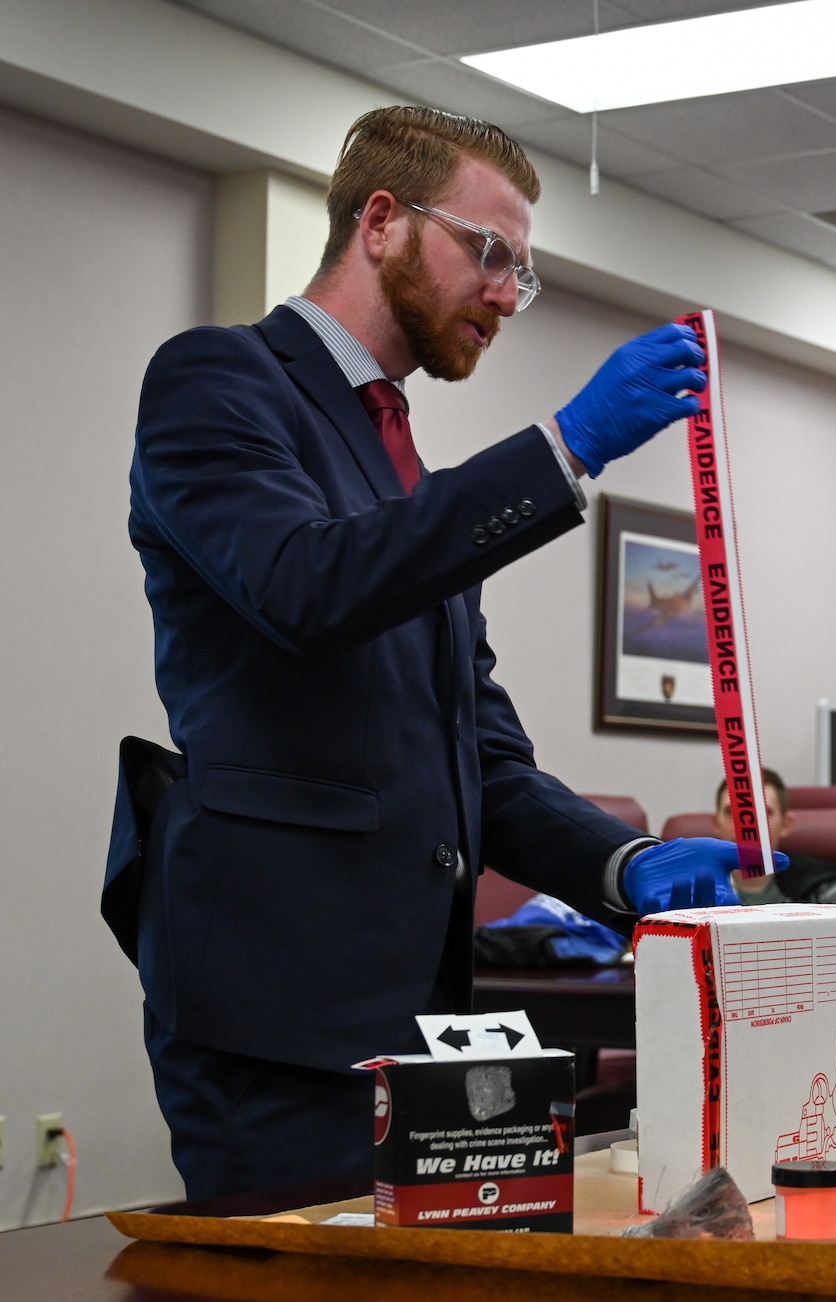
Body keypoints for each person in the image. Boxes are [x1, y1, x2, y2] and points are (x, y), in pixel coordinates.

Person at [108, 107, 771, 1201]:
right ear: (380, 221)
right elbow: (306, 584)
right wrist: (566, 449)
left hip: (420, 1022)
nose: (508, 294)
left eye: (524, 271)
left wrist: (622, 863)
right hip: (276, 1015)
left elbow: (484, 762)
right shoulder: (215, 380)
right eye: (490, 252)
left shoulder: (404, 466)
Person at [711, 770, 836, 907]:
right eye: (733, 812)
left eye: (763, 812)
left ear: (785, 824)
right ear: (716, 824)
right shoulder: (695, 892)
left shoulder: (822, 890)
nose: (747, 824)